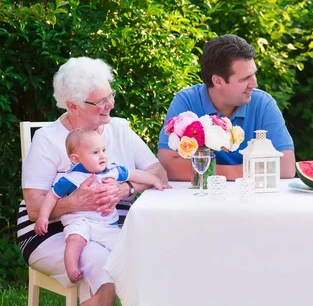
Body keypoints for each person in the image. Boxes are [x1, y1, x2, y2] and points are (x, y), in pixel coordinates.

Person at [19, 57, 168, 305]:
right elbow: (35, 209)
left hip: (109, 225)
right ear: (73, 106)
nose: (110, 104)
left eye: (110, 96)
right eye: (100, 101)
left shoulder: (119, 129)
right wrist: (77, 202)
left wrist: (124, 189)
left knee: (155, 254)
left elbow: (159, 173)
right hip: (50, 231)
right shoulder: (48, 139)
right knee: (104, 265)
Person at [34, 129, 165, 284]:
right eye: (95, 152)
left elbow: (135, 174)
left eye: (103, 150)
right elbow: (52, 196)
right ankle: (72, 269)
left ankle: (131, 278)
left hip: (107, 224)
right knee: (75, 239)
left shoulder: (112, 171)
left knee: (123, 245)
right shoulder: (72, 178)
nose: (102, 155)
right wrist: (43, 216)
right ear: (76, 159)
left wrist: (155, 181)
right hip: (80, 221)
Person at [158, 34, 296, 181]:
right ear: (218, 81)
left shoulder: (263, 104)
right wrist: (234, 173)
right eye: (244, 79)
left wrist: (209, 171)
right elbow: (167, 165)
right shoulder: (187, 102)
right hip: (199, 198)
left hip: (251, 198)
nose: (254, 84)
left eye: (254, 75)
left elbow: (286, 167)